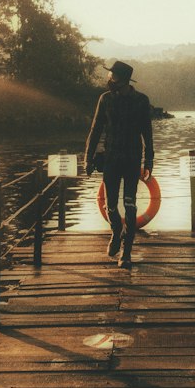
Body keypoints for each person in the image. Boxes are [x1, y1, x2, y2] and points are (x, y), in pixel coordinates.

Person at [84, 60, 154, 266]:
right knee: (111, 206)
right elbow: (95, 130)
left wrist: (149, 160)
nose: (109, 79)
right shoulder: (105, 100)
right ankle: (116, 231)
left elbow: (147, 134)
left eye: (112, 76)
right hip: (111, 158)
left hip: (132, 158)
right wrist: (88, 158)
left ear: (122, 80)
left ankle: (127, 253)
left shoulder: (141, 101)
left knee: (130, 204)